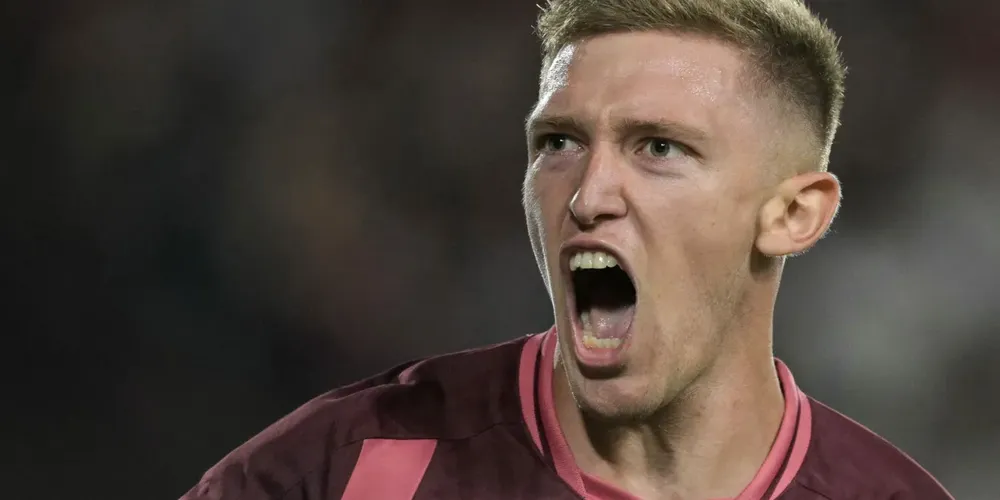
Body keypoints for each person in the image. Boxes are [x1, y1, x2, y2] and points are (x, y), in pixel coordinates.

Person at [181, 0, 955, 498]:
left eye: (658, 147)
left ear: (793, 213)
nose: (587, 195)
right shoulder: (346, 468)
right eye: (559, 142)